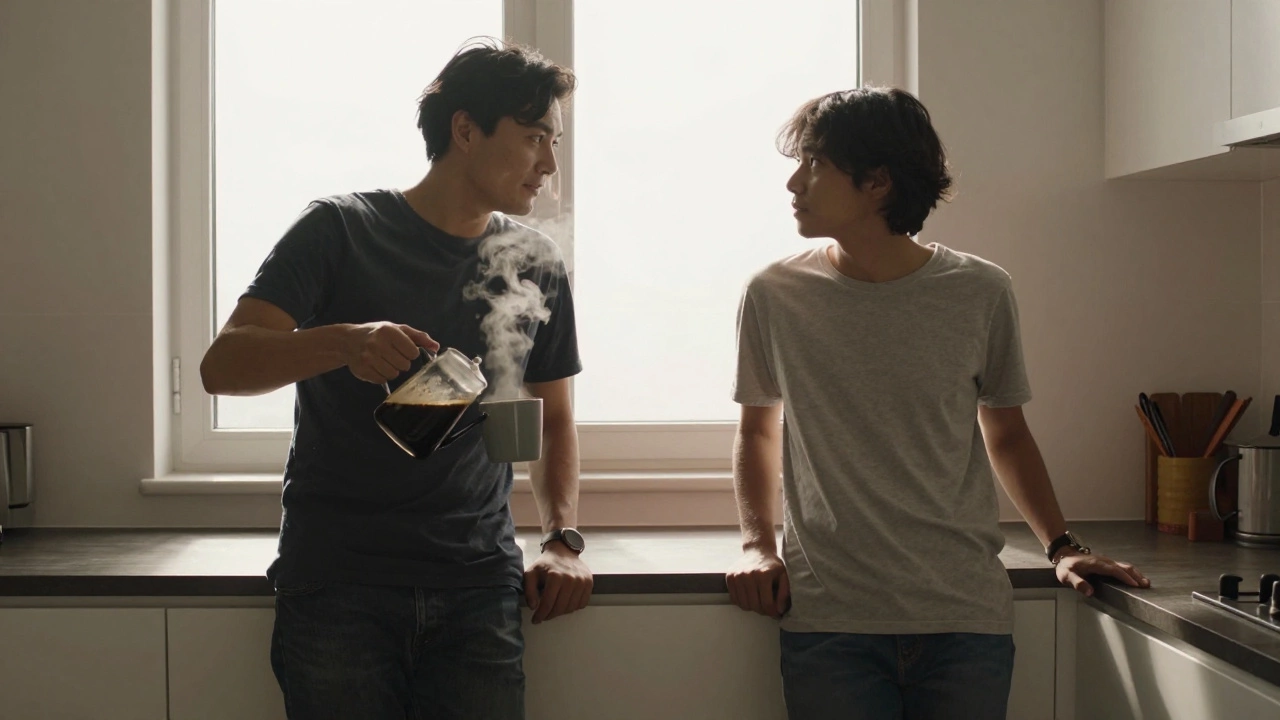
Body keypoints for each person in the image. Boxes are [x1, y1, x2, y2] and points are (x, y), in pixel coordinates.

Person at [725, 86, 1150, 720]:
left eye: (814, 163)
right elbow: (758, 432)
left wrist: (1061, 545)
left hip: (963, 621)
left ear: (877, 182)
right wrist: (758, 546)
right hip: (831, 621)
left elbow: (1006, 433)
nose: (794, 182)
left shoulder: (980, 290)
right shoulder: (774, 293)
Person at [200, 39, 591, 720]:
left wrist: (561, 540)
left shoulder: (534, 261)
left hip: (477, 586)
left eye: (553, 142)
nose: (549, 164)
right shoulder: (341, 229)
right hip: (339, 585)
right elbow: (223, 365)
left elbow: (552, 419)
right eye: (534, 138)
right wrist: (342, 343)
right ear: (465, 130)